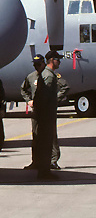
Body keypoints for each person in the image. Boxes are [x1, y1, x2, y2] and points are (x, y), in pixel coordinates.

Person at [32, 51, 64, 180]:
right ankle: (44, 172)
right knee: (46, 144)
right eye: (57, 59)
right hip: (46, 116)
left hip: (44, 115)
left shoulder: (45, 74)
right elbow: (43, 98)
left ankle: (43, 171)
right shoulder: (49, 76)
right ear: (51, 60)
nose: (59, 61)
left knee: (44, 143)